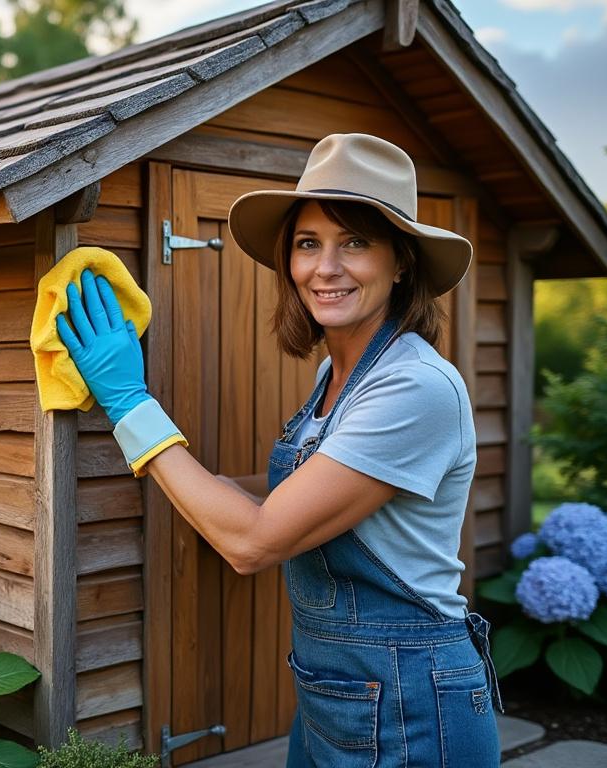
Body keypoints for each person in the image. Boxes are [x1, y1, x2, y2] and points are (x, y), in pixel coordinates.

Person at [56, 133, 501, 767]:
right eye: (308, 243)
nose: (326, 267)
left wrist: (131, 405)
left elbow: (255, 542)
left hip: (411, 701)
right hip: (343, 691)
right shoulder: (338, 374)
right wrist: (207, 486)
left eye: (355, 242)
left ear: (401, 262)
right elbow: (301, 493)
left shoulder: (415, 387)